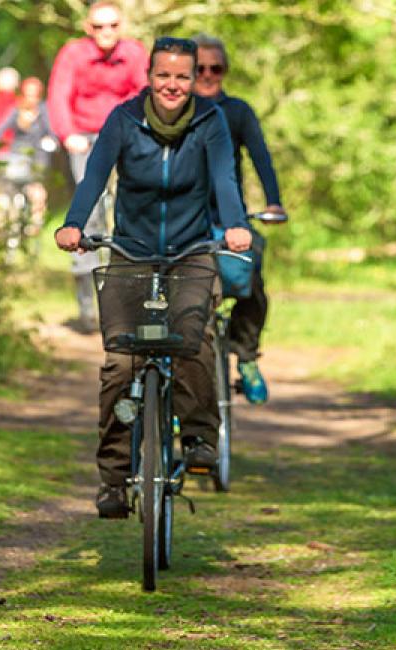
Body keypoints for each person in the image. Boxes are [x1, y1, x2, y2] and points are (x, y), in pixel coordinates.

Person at [54, 37, 252, 518]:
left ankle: (201, 439)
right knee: (120, 363)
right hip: (132, 251)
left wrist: (236, 225)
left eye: (182, 76)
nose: (173, 85)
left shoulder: (211, 122)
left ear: (193, 80)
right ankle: (115, 479)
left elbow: (224, 179)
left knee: (193, 341)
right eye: (164, 75)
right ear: (149, 76)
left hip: (191, 251)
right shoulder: (124, 120)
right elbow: (95, 177)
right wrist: (75, 224)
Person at [192, 33, 285, 405]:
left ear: (225, 70)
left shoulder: (238, 111)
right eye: (199, 68)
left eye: (216, 67)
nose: (208, 74)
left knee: (252, 282)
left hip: (230, 221)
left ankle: (245, 357)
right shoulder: (176, 111)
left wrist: (274, 202)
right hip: (185, 222)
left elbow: (261, 157)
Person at [48, 1, 148, 332]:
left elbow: (144, 93)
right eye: (99, 27)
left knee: (133, 205)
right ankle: (88, 304)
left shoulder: (134, 53)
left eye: (113, 26)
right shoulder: (73, 54)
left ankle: (131, 292)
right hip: (85, 139)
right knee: (87, 213)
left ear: (122, 26)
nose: (106, 33)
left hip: (126, 136)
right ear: (88, 28)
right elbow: (59, 96)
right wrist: (68, 135)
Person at [0, 77, 59, 241]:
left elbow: (53, 134)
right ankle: (7, 227)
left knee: (37, 192)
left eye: (35, 95)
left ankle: (34, 227)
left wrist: (51, 142)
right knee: (6, 192)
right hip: (17, 158)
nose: (32, 98)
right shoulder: (16, 110)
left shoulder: (44, 111)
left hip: (38, 157)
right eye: (28, 94)